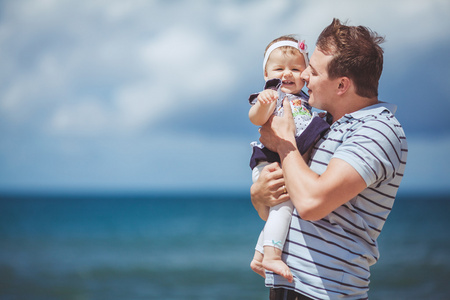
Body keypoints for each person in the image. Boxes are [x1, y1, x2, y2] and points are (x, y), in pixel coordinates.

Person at [251, 18, 408, 300]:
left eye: (313, 70)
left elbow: (312, 204)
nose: (304, 77)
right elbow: (291, 206)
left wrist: (284, 143)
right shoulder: (323, 125)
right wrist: (260, 196)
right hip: (289, 285)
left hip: (327, 292)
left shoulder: (377, 130)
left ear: (342, 85)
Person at [248, 35, 330, 282]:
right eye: (279, 68)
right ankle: (271, 256)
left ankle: (259, 254)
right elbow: (255, 118)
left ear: (305, 72)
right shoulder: (271, 96)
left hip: (287, 161)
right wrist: (264, 103)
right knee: (283, 205)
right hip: (269, 162)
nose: (287, 74)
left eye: (295, 68)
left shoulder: (306, 100)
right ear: (266, 73)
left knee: (282, 207)